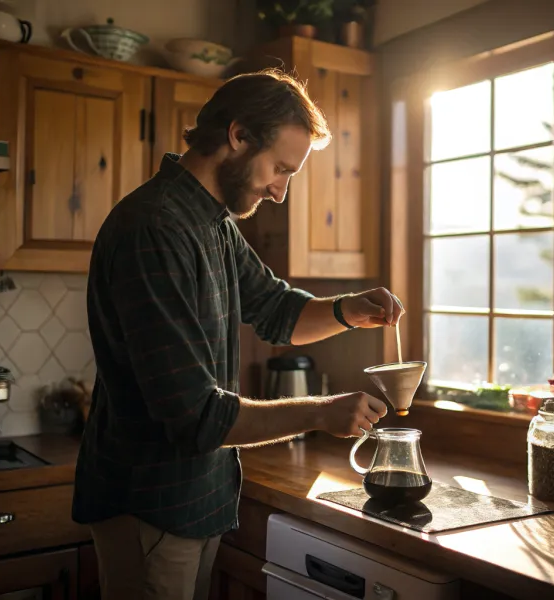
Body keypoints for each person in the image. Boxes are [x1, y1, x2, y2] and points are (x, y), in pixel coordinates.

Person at [71, 68, 401, 600]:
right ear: (238, 135)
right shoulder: (155, 228)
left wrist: (349, 310)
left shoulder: (211, 223)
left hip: (197, 502)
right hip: (151, 503)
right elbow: (194, 414)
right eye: (279, 169)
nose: (280, 191)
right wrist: (319, 412)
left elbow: (276, 310)